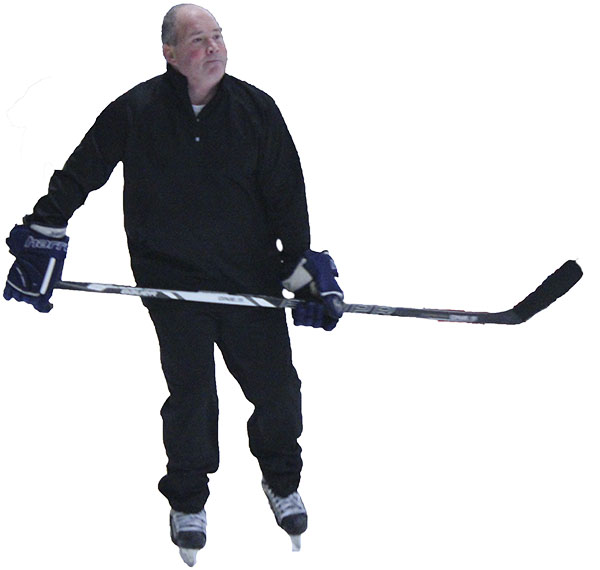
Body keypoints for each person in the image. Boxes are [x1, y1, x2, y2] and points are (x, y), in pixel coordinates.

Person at [4, 4, 343, 566]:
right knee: (192, 396)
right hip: (170, 280)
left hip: (247, 279)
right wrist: (46, 222)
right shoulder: (137, 109)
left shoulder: (257, 110)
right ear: (169, 53)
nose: (212, 49)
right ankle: (187, 500)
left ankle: (281, 481)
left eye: (218, 37)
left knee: (278, 389)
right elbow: (84, 168)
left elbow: (288, 196)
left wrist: (302, 266)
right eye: (197, 40)